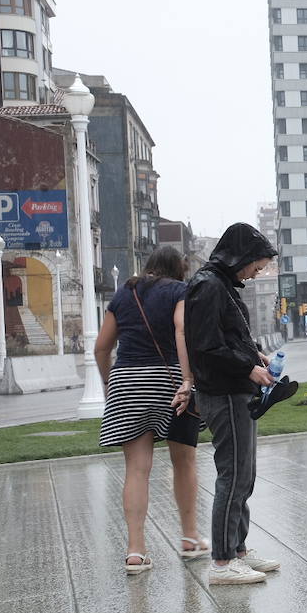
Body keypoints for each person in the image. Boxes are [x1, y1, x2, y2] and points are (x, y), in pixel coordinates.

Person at [95, 246, 206, 574]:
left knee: (137, 469)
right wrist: (188, 378)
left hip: (127, 379)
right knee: (183, 462)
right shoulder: (180, 290)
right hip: (170, 378)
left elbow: (102, 346)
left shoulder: (124, 293)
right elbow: (181, 330)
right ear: (179, 269)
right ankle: (189, 537)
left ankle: (135, 551)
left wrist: (108, 382)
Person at [184, 223, 282, 586]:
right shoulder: (209, 286)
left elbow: (224, 338)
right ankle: (223, 562)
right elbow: (207, 346)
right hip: (223, 393)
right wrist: (248, 367)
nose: (257, 271)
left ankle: (238, 548)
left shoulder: (221, 285)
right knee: (233, 475)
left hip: (234, 390)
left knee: (244, 474)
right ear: (239, 256)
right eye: (255, 264)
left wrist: (253, 355)